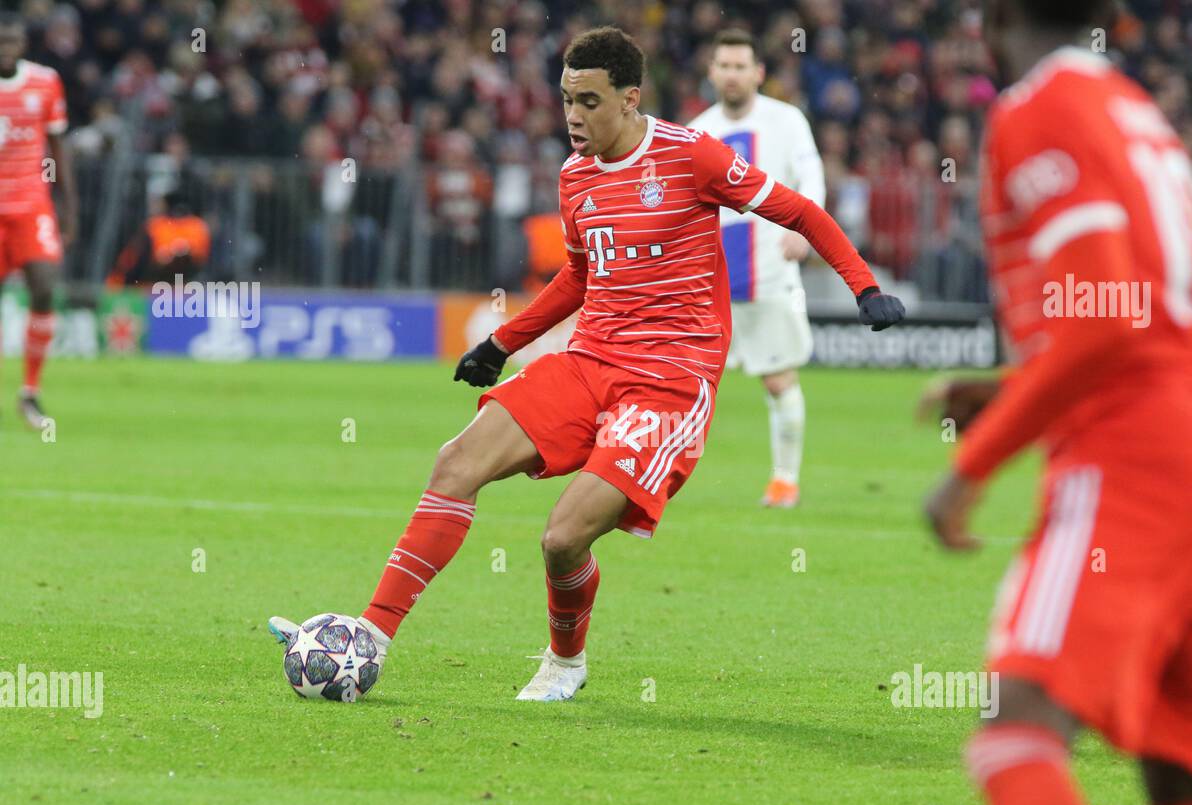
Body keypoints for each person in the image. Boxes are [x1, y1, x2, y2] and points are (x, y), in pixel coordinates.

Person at [270, 26, 904, 702]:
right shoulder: (575, 177)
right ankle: (371, 634)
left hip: (668, 382)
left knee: (562, 538)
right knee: (455, 464)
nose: (574, 115)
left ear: (631, 99)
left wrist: (863, 287)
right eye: (568, 98)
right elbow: (578, 277)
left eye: (591, 101)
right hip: (588, 361)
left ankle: (565, 662)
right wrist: (501, 344)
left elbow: (801, 211)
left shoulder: (693, 157)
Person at [921, 0, 1192, 805]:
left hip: (1131, 464)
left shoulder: (1041, 106)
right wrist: (1018, 387)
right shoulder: (1131, 109)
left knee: (1014, 737)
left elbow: (1105, 320)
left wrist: (971, 467)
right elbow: (1145, 313)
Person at [690, 28, 827, 508]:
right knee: (686, 380)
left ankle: (784, 481)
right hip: (711, 276)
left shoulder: (786, 120)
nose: (731, 75)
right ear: (712, 72)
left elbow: (811, 175)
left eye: (739, 66)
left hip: (770, 270)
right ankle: (654, 475)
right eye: (723, 66)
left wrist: (803, 228)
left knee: (777, 379)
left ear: (758, 73)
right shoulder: (699, 130)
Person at [0, 11, 75, 430]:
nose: (5, 48)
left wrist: (70, 207)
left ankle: (29, 391)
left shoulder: (45, 82)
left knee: (45, 287)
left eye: (11, 41)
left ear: (22, 44)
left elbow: (59, 146)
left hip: (31, 205)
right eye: (0, 42)